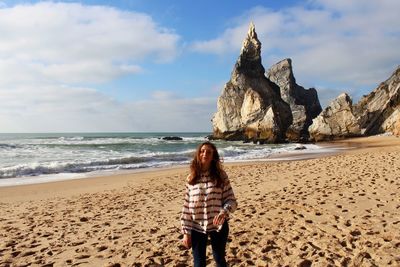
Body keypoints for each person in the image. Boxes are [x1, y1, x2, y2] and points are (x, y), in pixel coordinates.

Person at [181, 141, 238, 267]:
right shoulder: (191, 178)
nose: (205, 154)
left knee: (219, 260)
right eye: (202, 151)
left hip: (218, 226)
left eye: (209, 152)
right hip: (197, 227)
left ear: (213, 156)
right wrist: (186, 232)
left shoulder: (221, 176)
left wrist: (224, 212)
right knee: (198, 263)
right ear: (198, 154)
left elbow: (231, 200)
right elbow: (186, 207)